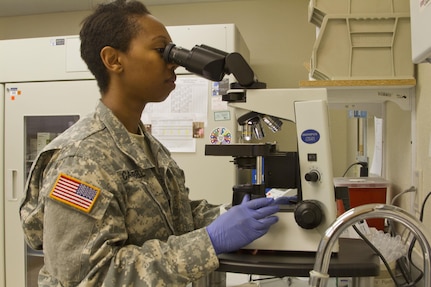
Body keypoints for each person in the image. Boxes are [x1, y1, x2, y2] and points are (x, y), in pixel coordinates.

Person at [19, 0, 282, 286]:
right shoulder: (81, 159)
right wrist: (209, 242)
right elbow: (90, 277)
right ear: (113, 59)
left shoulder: (148, 145)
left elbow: (175, 217)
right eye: (162, 50)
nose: (174, 62)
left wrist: (236, 215)